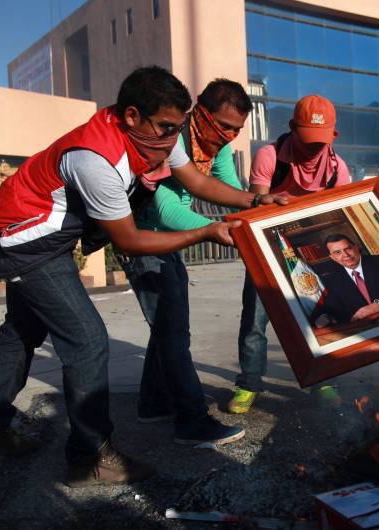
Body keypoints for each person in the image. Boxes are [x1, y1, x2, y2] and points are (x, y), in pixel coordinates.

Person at [0, 66, 285, 488]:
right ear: (131, 116)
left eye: (177, 129)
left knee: (21, 331)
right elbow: (129, 240)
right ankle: (89, 458)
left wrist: (257, 198)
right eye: (166, 128)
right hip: (27, 237)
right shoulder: (97, 158)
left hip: (42, 229)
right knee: (88, 340)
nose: (172, 142)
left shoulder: (160, 133)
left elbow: (198, 182)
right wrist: (204, 231)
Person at [121, 79, 252, 447]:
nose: (229, 136)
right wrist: (215, 229)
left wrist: (260, 203)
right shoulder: (173, 139)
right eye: (224, 126)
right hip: (144, 240)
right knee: (174, 332)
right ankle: (191, 421)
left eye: (237, 130)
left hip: (169, 244)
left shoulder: (217, 146)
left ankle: (152, 403)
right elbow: (167, 210)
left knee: (167, 327)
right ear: (201, 114)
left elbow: (226, 187)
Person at [229, 94, 351, 414]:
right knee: (255, 320)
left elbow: (343, 216)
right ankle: (249, 383)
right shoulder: (269, 156)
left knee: (318, 318)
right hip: (266, 248)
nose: (314, 148)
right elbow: (255, 211)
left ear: (333, 135)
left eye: (320, 142)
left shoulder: (338, 168)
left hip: (313, 252)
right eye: (308, 139)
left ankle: (322, 379)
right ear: (292, 128)